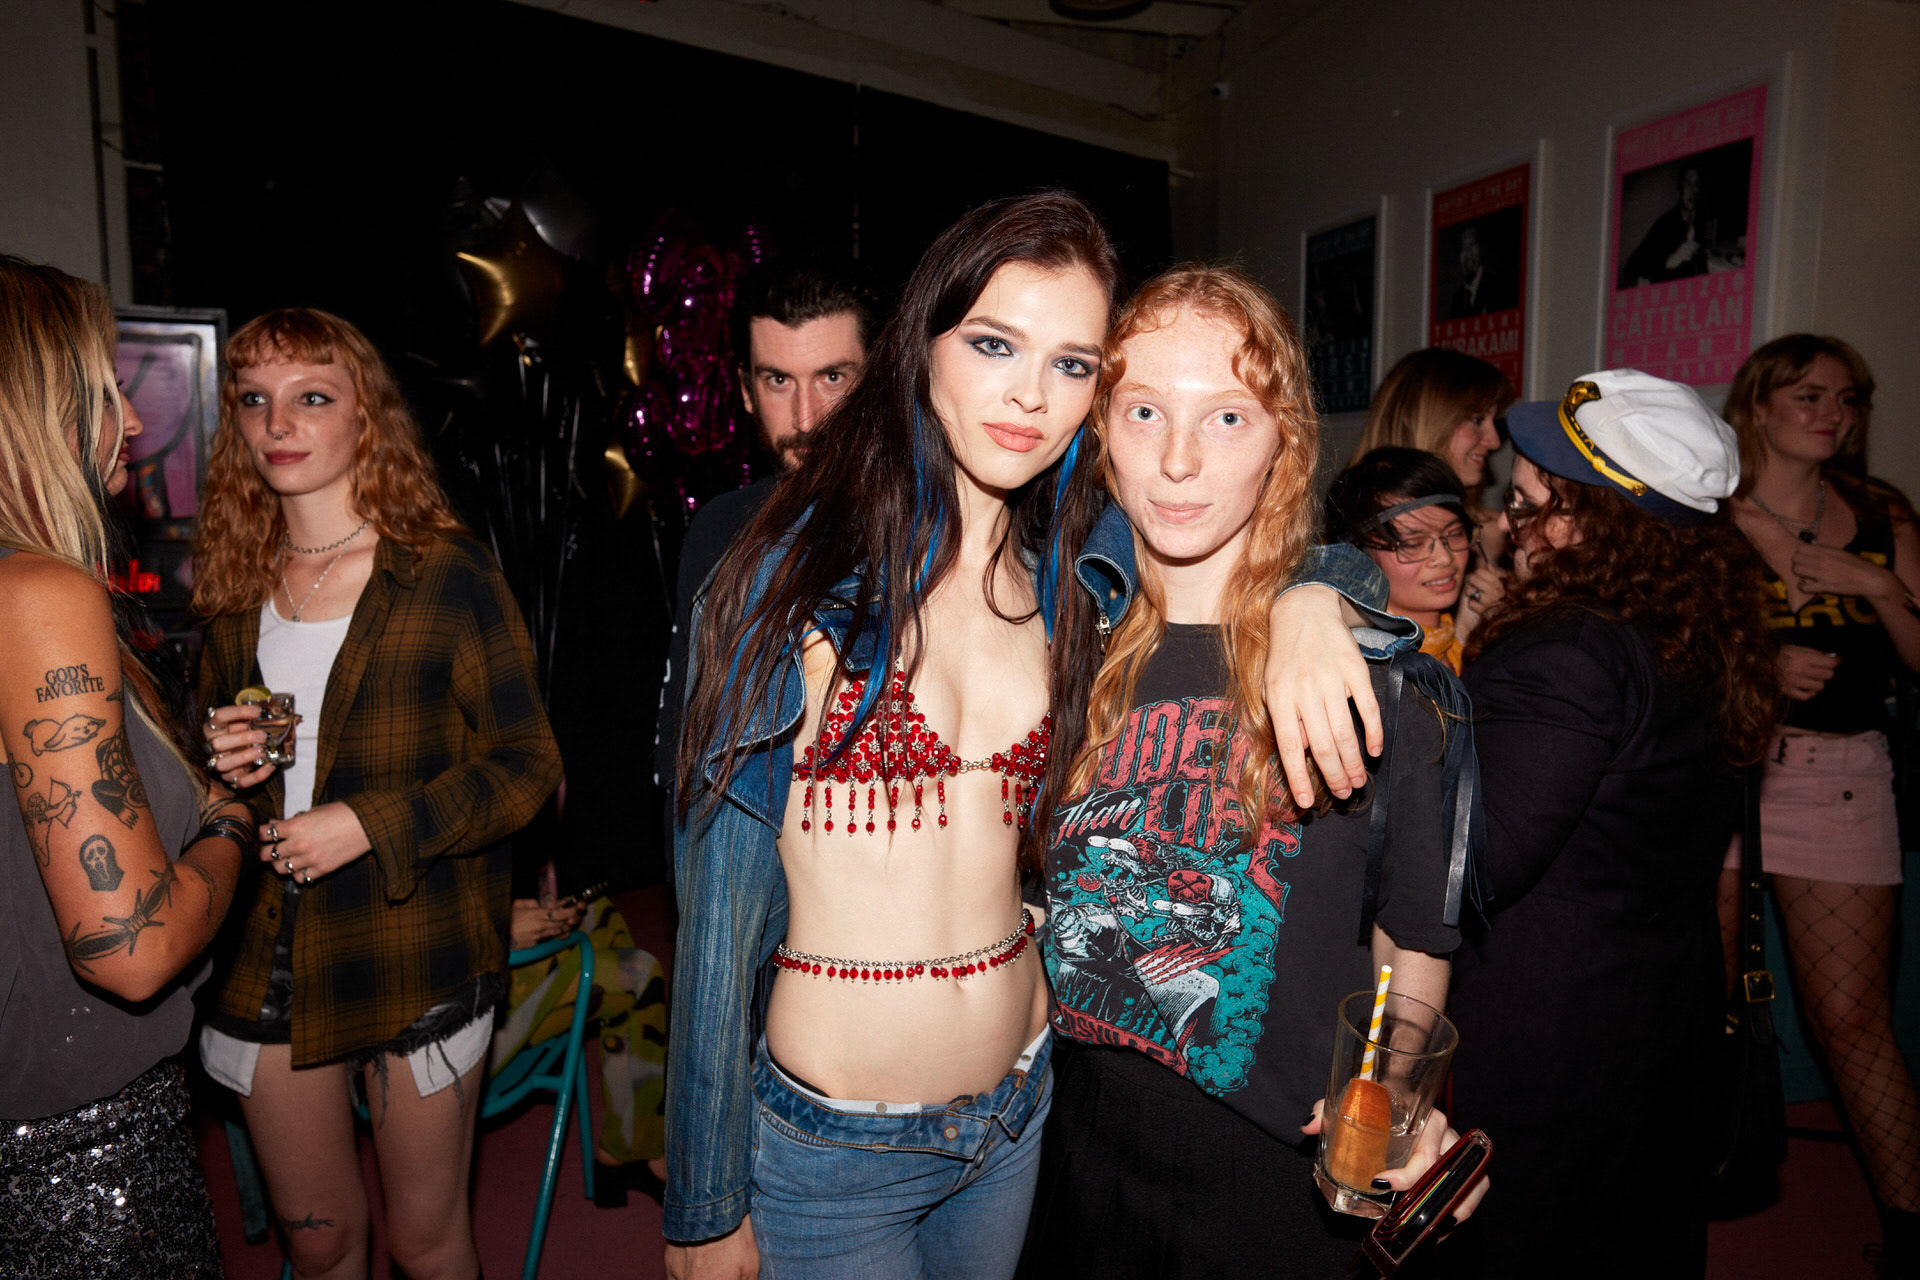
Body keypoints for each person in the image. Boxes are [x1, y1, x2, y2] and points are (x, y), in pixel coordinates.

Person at [665, 193, 1391, 1280]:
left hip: (1018, 1115)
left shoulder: (1076, 578)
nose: (1029, 395)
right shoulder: (788, 575)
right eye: (995, 344)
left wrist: (1319, 596)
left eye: (1072, 363)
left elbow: (1261, 535)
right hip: (836, 1142)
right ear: (922, 344)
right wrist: (702, 1199)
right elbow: (716, 910)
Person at [1019, 264, 1483, 1277]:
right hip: (1074, 1157)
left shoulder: (1385, 687)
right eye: (1144, 411)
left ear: (1284, 442)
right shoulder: (1056, 651)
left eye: (1227, 418)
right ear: (1100, 430)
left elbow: (1413, 935)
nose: (1179, 460)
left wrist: (1395, 1106)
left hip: (1275, 1189)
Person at [193, 307, 562, 1280]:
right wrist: (220, 759)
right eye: (255, 400)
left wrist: (371, 821)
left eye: (312, 397)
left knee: (424, 1242)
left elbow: (528, 765)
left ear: (367, 417)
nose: (279, 422)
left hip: (412, 940)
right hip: (264, 944)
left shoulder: (444, 572)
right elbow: (212, 773)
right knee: (319, 1245)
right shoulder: (232, 581)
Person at [1442, 369, 1777, 1279]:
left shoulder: (1570, 650)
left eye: (1526, 503)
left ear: (1590, 518)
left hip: (1544, 1040)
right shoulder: (1697, 632)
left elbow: (1471, 866)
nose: (1506, 519)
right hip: (1654, 1019)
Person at [0, 255, 250, 1278]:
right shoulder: (37, 592)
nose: (135, 421)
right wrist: (229, 823)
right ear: (36, 409)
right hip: (73, 1157)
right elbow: (130, 945)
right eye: (105, 391)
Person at [1718, 334, 1920, 1272]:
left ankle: (1910, 1228)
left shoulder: (1880, 514)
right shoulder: (1709, 510)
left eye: (1847, 398)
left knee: (1852, 1019)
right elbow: (1664, 647)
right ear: (1758, 405)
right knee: (1699, 998)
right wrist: (1759, 666)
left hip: (1842, 775)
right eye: (1809, 395)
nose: (1833, 413)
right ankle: (1675, 1185)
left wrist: (1874, 584)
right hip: (1726, 774)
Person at [653, 261, 877, 802]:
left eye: (832, 377)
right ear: (746, 390)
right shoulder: (721, 529)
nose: (806, 419)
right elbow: (682, 762)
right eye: (778, 380)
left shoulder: (938, 522)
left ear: (876, 378)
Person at [497, 890, 668, 1205]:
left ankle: (628, 1144)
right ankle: (635, 1148)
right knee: (640, 975)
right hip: (465, 1023)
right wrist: (499, 930)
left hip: (476, 957)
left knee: (594, 912)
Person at [1325, 447, 1483, 672]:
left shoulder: (1458, 647)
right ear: (1357, 556)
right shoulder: (1367, 667)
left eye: (1455, 533)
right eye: (1413, 543)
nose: (1444, 557)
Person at [1350, 347, 1515, 504]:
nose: (1495, 442)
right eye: (1476, 420)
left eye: (1494, 421)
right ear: (1415, 419)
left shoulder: (1495, 523)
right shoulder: (1356, 520)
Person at [1619, 163, 1711, 287]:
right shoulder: (1665, 225)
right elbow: (1630, 270)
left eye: (1697, 184)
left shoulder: (1700, 218)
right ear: (1680, 189)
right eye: (1688, 184)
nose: (1693, 190)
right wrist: (1669, 261)